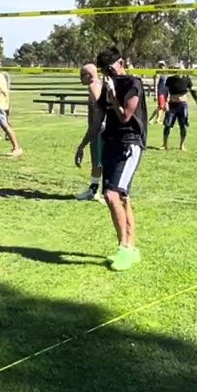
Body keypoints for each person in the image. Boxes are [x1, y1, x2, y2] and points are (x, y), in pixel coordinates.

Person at [91, 47, 147, 271]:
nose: (109, 74)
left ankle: (123, 247)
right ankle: (131, 248)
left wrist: (114, 96)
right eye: (105, 71)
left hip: (129, 144)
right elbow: (100, 118)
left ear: (121, 63)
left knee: (111, 195)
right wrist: (85, 144)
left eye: (111, 68)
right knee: (122, 197)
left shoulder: (132, 83)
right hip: (111, 144)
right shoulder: (107, 87)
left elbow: (125, 116)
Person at [74, 63, 105, 200]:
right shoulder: (102, 84)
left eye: (82, 75)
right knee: (101, 161)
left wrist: (83, 143)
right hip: (103, 128)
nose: (80, 78)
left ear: (89, 75)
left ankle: (95, 191)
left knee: (97, 161)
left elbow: (99, 110)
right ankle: (95, 189)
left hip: (99, 129)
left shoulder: (93, 87)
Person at [163, 71, 197, 151]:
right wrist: (165, 103)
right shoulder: (170, 79)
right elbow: (165, 92)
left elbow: (193, 92)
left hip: (182, 105)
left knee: (183, 125)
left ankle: (182, 145)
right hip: (172, 105)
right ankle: (165, 144)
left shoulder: (186, 79)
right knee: (167, 125)